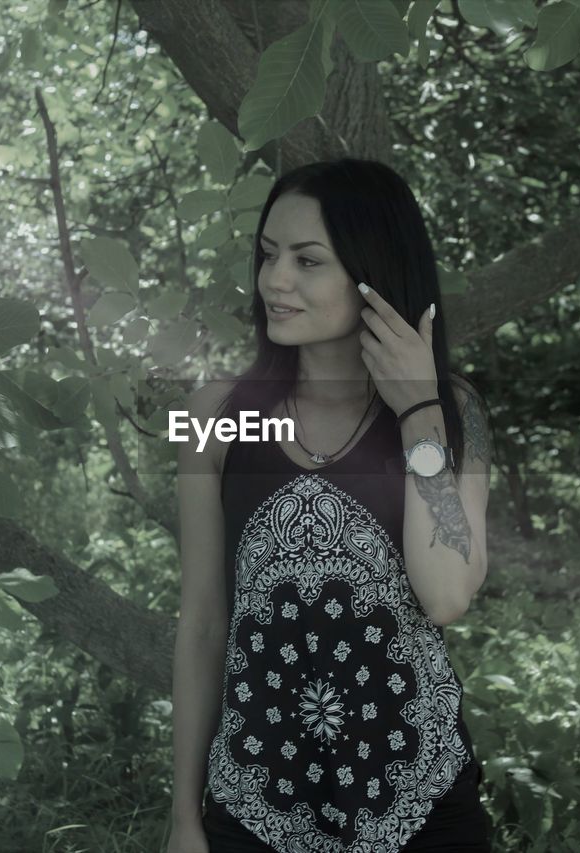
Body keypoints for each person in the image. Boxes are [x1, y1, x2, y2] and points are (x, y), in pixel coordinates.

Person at [167, 158, 494, 853]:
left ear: (371, 274)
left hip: (420, 809)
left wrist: (418, 414)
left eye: (308, 261)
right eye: (268, 255)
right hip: (254, 812)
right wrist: (184, 816)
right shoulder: (215, 414)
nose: (274, 280)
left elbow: (445, 595)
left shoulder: (452, 408)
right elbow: (201, 621)